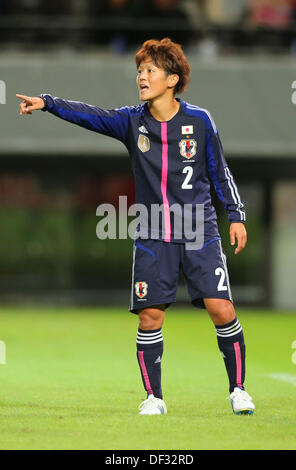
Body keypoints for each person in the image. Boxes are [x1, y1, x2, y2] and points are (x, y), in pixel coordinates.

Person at [16, 37, 255, 416]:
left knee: (221, 307)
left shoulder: (200, 121)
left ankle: (238, 389)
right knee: (150, 316)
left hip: (199, 229)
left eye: (150, 71)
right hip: (153, 232)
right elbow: (90, 114)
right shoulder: (131, 122)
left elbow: (220, 173)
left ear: (172, 79)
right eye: (139, 71)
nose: (142, 77)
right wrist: (47, 102)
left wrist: (236, 216)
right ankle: (154, 398)